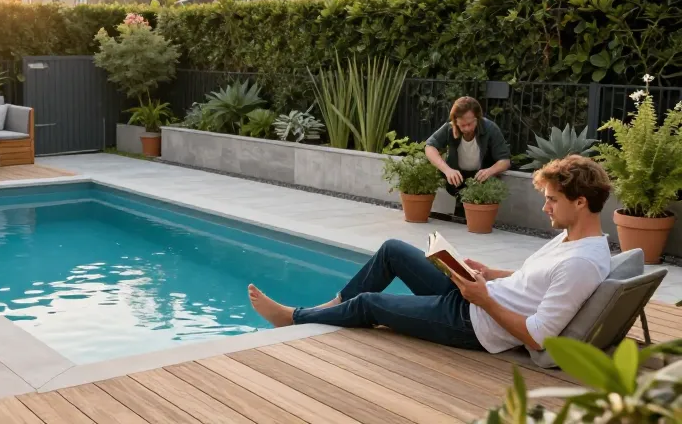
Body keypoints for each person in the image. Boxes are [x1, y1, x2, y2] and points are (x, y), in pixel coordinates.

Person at [248, 155, 612, 354]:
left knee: (372, 303)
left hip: (475, 324)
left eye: (552, 199)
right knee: (392, 249)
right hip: (476, 298)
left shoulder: (580, 263)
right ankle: (331, 305)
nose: (545, 207)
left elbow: (539, 337)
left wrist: (483, 299)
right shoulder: (572, 240)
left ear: (580, 203)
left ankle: (293, 318)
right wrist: (490, 273)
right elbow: (535, 282)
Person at [424, 96, 512, 218]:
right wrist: (447, 170)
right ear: (455, 121)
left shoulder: (490, 129)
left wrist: (490, 171)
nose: (466, 128)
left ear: (478, 118)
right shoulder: (450, 128)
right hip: (457, 177)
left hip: (481, 178)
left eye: (469, 124)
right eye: (462, 125)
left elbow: (505, 160)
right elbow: (429, 147)